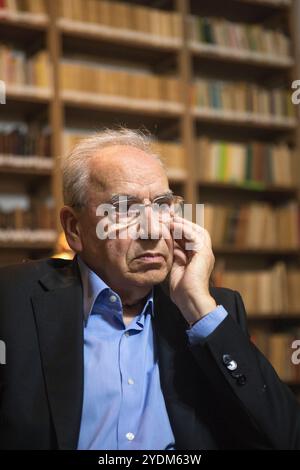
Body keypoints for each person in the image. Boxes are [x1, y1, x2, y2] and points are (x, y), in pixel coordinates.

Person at [0, 128, 299, 450]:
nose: (153, 229)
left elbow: (285, 438)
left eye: (162, 205)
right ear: (74, 228)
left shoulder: (211, 310)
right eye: (125, 208)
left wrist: (198, 307)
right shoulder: (12, 299)